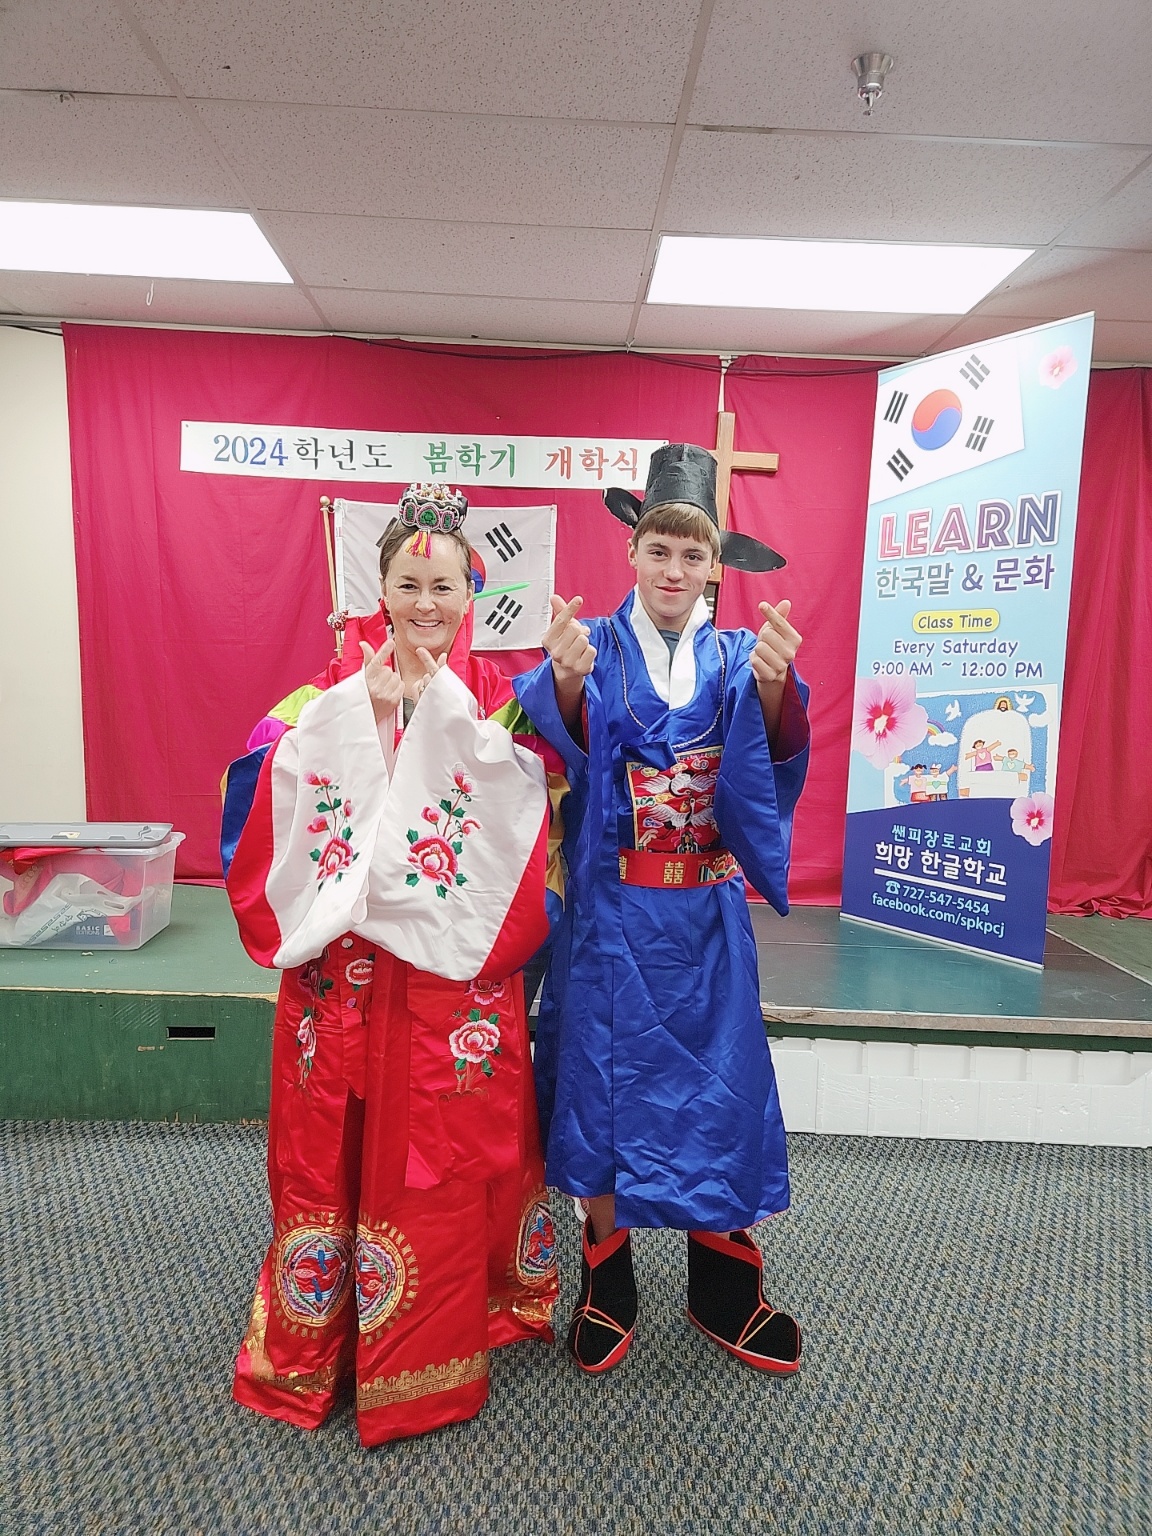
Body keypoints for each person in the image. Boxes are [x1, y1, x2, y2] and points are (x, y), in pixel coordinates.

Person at [221, 482, 560, 1446]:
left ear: (471, 594)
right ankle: (316, 1347)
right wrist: (351, 717)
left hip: (449, 985)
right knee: (328, 1149)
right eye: (409, 585)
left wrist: (464, 729)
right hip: (348, 979)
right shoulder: (324, 690)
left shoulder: (502, 697)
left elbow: (539, 806)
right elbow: (259, 783)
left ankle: (440, 1347)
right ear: (381, 590)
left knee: (443, 1157)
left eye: (444, 586)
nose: (426, 604)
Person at [513, 443, 810, 1376]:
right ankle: (608, 1284)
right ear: (631, 552)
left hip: (708, 917)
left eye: (692, 555)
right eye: (659, 551)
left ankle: (724, 1287)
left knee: (722, 1094)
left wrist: (774, 689)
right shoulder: (592, 645)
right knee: (600, 1094)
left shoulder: (740, 655)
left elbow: (770, 766)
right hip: (611, 917)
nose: (674, 572)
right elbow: (555, 751)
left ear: (715, 565)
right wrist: (566, 681)